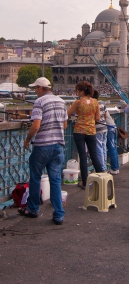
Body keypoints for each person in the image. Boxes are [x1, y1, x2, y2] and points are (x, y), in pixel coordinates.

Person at [19, 77, 67, 225]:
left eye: (35, 88)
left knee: (35, 177)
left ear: (40, 88)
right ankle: (58, 214)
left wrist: (27, 140)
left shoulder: (39, 102)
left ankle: (33, 209)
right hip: (58, 146)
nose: (35, 91)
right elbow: (65, 125)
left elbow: (36, 126)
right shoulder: (61, 101)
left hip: (42, 146)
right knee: (55, 180)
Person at [67, 81, 103, 189]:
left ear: (81, 91)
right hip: (91, 131)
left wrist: (78, 116)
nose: (76, 93)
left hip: (79, 131)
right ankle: (101, 176)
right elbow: (97, 118)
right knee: (94, 154)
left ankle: (85, 181)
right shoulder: (95, 102)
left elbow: (67, 114)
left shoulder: (78, 103)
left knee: (82, 156)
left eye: (77, 91)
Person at [92, 91, 107, 173]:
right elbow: (105, 115)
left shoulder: (93, 104)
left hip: (97, 128)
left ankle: (101, 168)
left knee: (99, 149)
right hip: (104, 127)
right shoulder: (102, 103)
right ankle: (104, 166)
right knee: (104, 147)